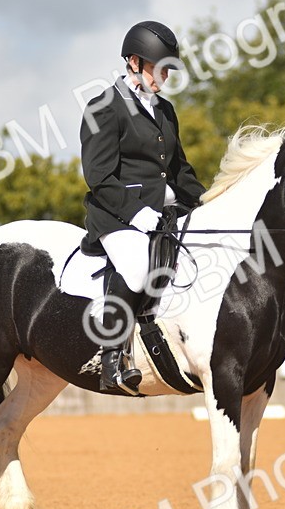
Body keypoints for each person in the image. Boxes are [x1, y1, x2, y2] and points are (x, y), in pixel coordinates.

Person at [79, 20, 207, 394]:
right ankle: (111, 358)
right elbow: (99, 176)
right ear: (135, 62)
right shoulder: (103, 108)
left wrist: (206, 203)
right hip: (117, 215)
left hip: (165, 214)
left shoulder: (165, 110)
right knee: (136, 266)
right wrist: (137, 213)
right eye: (161, 68)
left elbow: (180, 171)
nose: (166, 77)